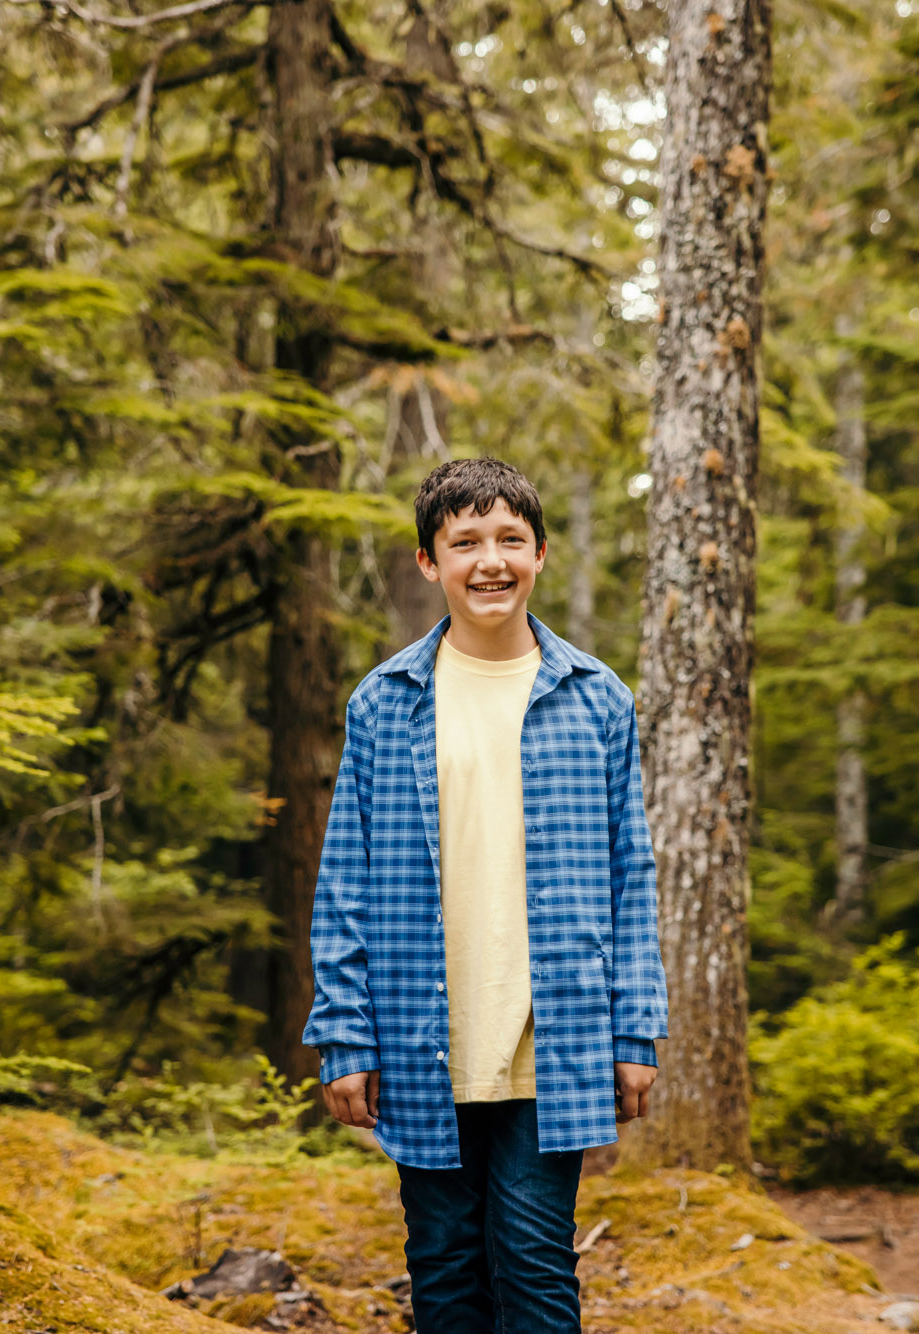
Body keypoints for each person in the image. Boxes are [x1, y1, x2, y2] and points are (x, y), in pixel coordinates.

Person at [302, 456, 670, 1334]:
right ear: (430, 563)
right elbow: (344, 878)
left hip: (560, 1035)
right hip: (419, 1033)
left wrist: (636, 1027)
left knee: (537, 1261)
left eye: (510, 539)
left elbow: (633, 874)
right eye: (465, 542)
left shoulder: (595, 700)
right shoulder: (384, 702)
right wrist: (343, 1032)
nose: (490, 561)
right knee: (443, 1265)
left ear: (540, 553)